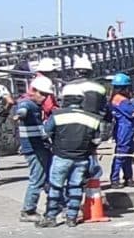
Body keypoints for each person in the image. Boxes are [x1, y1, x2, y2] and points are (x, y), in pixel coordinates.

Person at [38, 94, 102, 228]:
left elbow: (45, 133)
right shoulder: (92, 118)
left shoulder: (57, 115)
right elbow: (97, 140)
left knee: (55, 187)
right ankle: (72, 218)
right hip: (81, 158)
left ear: (65, 102)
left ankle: (50, 217)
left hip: (61, 156)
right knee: (76, 187)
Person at [61, 55, 111, 182]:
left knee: (73, 157)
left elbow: (63, 108)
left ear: (76, 71)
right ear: (90, 71)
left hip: (71, 128)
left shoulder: (67, 87)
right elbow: (104, 109)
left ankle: (75, 183)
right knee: (90, 154)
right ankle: (91, 183)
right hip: (93, 126)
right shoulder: (99, 87)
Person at [15, 77, 54, 222]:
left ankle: (56, 203)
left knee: (48, 177)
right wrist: (20, 114)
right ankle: (28, 210)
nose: (44, 98)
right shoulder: (28, 104)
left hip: (40, 146)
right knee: (37, 178)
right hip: (34, 148)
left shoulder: (36, 106)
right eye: (42, 94)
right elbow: (22, 111)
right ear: (33, 91)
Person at [109, 73, 134, 189]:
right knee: (121, 154)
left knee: (127, 154)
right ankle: (115, 179)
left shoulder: (115, 99)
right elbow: (133, 113)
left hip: (124, 129)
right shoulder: (121, 100)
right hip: (124, 129)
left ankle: (128, 177)